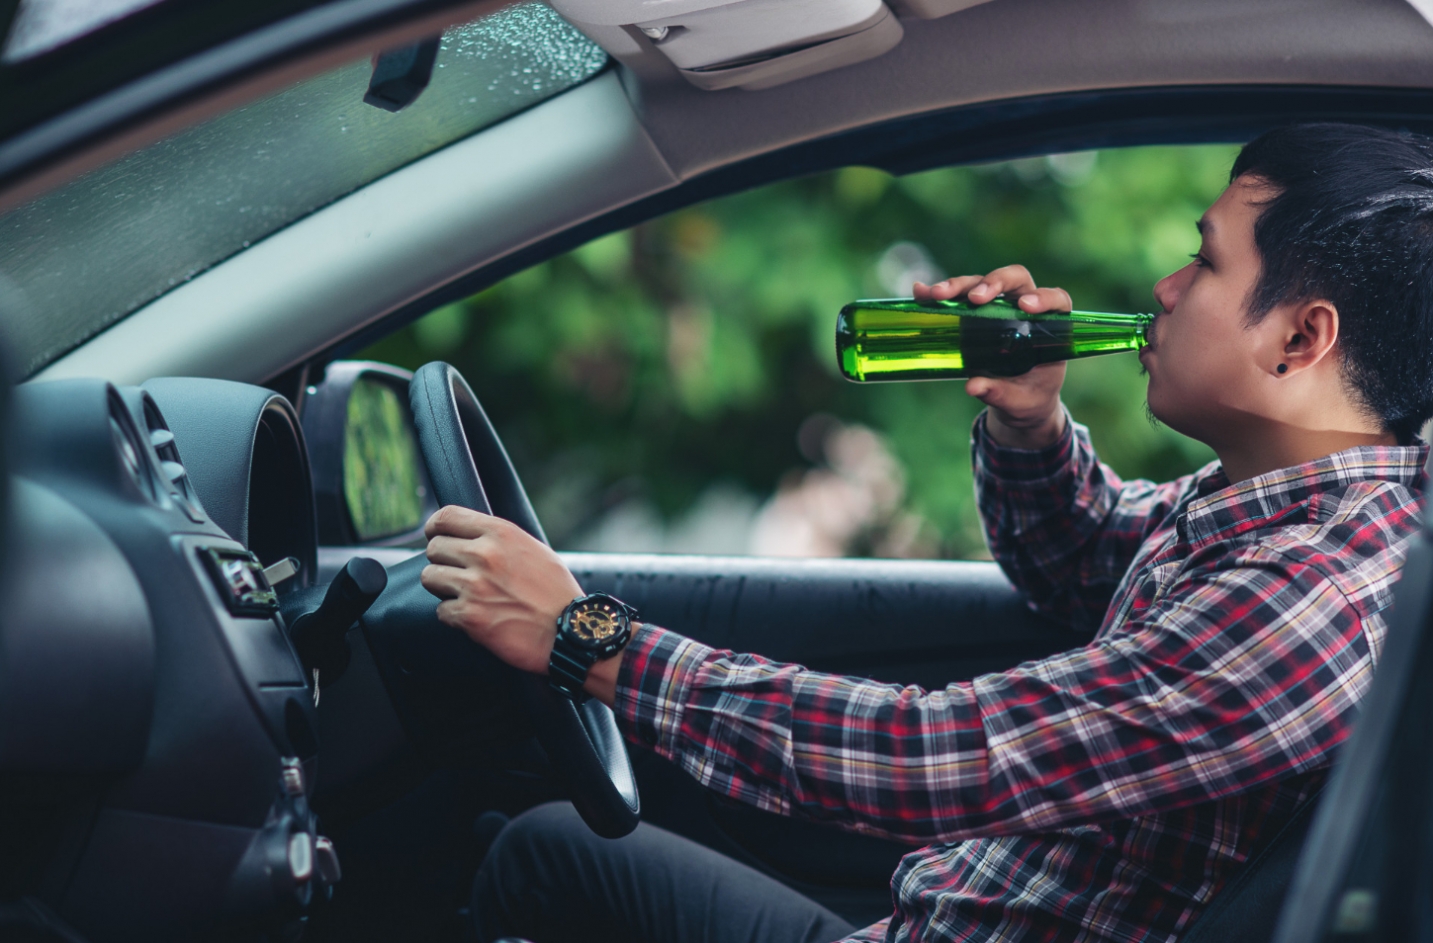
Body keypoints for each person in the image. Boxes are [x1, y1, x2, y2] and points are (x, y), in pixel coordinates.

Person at [419, 123, 1433, 943]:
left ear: (1298, 339)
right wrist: (1025, 416)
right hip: (924, 917)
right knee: (546, 847)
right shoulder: (1278, 509)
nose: (1164, 287)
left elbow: (932, 758)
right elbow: (1078, 560)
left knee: (534, 858)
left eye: (1202, 262)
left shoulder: (1314, 593)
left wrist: (591, 640)